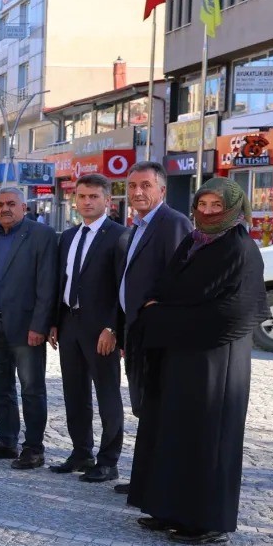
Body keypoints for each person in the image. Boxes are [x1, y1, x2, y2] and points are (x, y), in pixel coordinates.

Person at [128, 178, 266, 544]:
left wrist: (163, 317)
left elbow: (235, 312)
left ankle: (206, 521)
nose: (206, 213)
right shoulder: (193, 241)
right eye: (201, 205)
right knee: (170, 430)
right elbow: (165, 285)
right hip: (177, 356)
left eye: (215, 206)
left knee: (206, 438)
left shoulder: (241, 248)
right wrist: (154, 309)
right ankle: (165, 507)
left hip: (214, 363)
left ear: (233, 208)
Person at [113, 161, 191, 494]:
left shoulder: (173, 223)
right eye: (132, 186)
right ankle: (144, 476)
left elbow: (181, 277)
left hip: (157, 334)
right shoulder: (138, 226)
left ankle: (154, 481)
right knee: (143, 405)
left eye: (145, 185)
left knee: (156, 406)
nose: (138, 192)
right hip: (135, 330)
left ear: (162, 190)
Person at [0, 187, 57, 469]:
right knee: (0, 386)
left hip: (26, 326)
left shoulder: (40, 235)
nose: (5, 209)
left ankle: (33, 448)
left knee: (31, 389)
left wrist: (40, 325)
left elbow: (47, 284)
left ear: (24, 207)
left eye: (10, 204)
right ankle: (6, 441)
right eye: (0, 205)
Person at [48, 174, 127, 482]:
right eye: (82, 196)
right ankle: (81, 452)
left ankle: (108, 461)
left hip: (101, 329)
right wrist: (55, 321)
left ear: (107, 200)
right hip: (69, 324)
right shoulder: (67, 237)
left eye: (94, 196)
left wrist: (113, 327)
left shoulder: (120, 235)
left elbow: (123, 286)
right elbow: (62, 282)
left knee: (107, 394)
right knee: (74, 392)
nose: (87, 201)